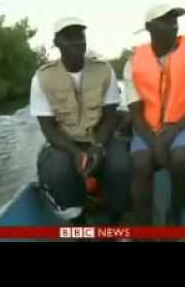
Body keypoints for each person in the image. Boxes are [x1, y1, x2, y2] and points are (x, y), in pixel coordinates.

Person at [30, 17, 132, 225]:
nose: (77, 41)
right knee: (59, 172)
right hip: (64, 142)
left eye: (80, 36)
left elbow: (111, 116)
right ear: (57, 43)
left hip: (101, 136)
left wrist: (98, 147)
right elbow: (49, 130)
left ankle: (115, 219)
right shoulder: (41, 78)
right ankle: (79, 222)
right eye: (69, 37)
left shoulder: (104, 70)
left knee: (120, 166)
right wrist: (75, 152)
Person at [124, 4, 185, 226]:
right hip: (146, 129)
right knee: (141, 163)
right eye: (166, 21)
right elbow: (135, 113)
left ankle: (174, 215)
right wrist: (155, 143)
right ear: (149, 27)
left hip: (183, 126)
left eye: (175, 21)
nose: (173, 26)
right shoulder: (133, 63)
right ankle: (145, 225)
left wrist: (172, 132)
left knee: (183, 159)